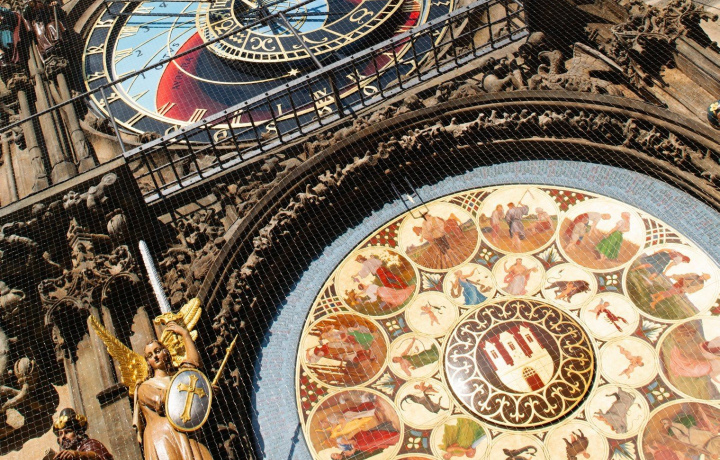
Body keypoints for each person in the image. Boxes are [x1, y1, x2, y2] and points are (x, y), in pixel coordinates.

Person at [133, 322, 213, 460]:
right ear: (148, 361)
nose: (155, 356)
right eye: (150, 355)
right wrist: (197, 390)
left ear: (165, 352)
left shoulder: (176, 378)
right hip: (163, 437)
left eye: (157, 351)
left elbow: (193, 366)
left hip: (184, 431)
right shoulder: (144, 387)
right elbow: (163, 400)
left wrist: (185, 334)